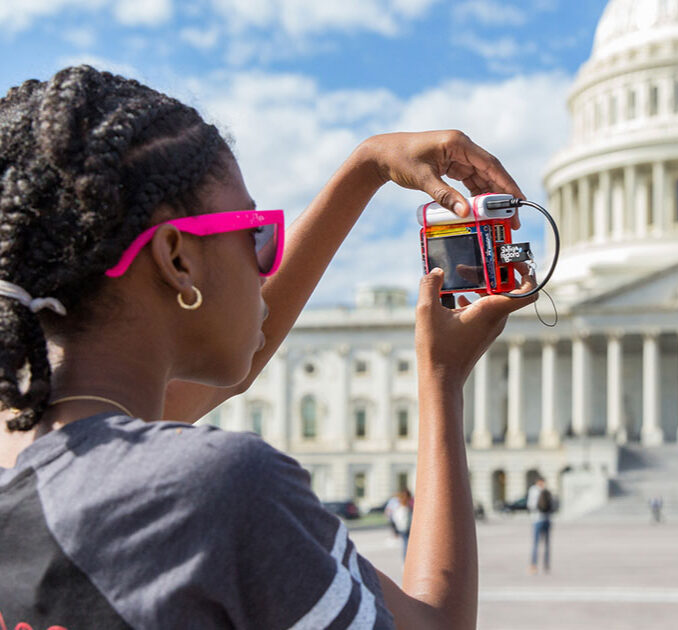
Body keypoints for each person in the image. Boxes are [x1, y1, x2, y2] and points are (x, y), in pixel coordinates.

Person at [0, 66, 536, 629]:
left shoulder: (33, 451)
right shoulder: (220, 491)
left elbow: (238, 365)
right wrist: (441, 380)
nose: (269, 262)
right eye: (256, 234)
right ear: (178, 260)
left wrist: (366, 168)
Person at [526, 477, 553, 574]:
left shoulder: (533, 491)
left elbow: (530, 505)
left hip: (538, 519)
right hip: (546, 519)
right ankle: (545, 564)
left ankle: (535, 565)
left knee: (537, 543)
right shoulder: (543, 490)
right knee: (545, 543)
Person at [392, 489, 414, 561]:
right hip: (406, 528)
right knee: (407, 544)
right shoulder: (406, 506)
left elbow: (393, 518)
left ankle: (406, 560)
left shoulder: (400, 505)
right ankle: (406, 560)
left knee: (406, 544)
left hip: (402, 527)